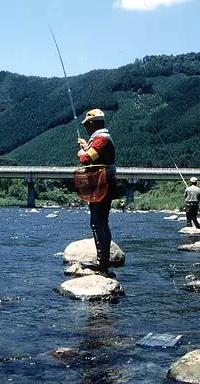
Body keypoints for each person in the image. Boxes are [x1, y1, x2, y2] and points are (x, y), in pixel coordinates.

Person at [77, 108, 116, 272]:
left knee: (97, 223)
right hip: (105, 182)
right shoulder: (101, 138)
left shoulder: (100, 139)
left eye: (87, 124)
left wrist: (81, 152)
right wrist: (87, 145)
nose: (86, 127)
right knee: (102, 222)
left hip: (102, 183)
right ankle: (104, 261)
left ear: (93, 123)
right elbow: (94, 154)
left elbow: (86, 159)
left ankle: (102, 263)